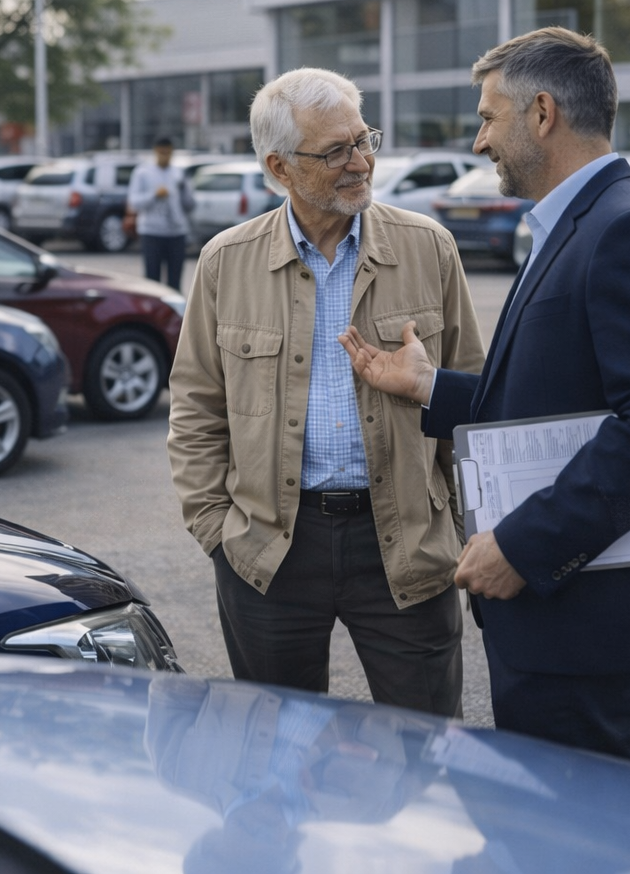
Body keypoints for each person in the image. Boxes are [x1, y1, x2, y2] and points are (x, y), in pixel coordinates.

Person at [339, 27, 630, 762]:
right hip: (562, 614)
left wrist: (525, 547)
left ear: (543, 113)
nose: (479, 142)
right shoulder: (579, 224)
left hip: (585, 619)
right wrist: (429, 386)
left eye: (488, 118)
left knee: (574, 819)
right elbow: (559, 403)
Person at [168, 67, 485, 718]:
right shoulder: (226, 261)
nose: (361, 162)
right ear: (279, 167)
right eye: (336, 150)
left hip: (405, 544)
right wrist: (217, 531)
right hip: (269, 548)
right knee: (274, 748)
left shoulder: (429, 247)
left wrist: (468, 528)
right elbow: (196, 405)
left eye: (364, 140)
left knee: (425, 744)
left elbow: (475, 399)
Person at [128, 137, 195, 290]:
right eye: (162, 153)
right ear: (155, 152)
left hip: (176, 231)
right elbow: (134, 203)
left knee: (175, 281)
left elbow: (190, 205)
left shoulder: (179, 173)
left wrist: (184, 188)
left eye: (168, 153)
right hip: (152, 232)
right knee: (152, 280)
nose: (165, 156)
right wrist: (154, 195)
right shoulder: (143, 172)